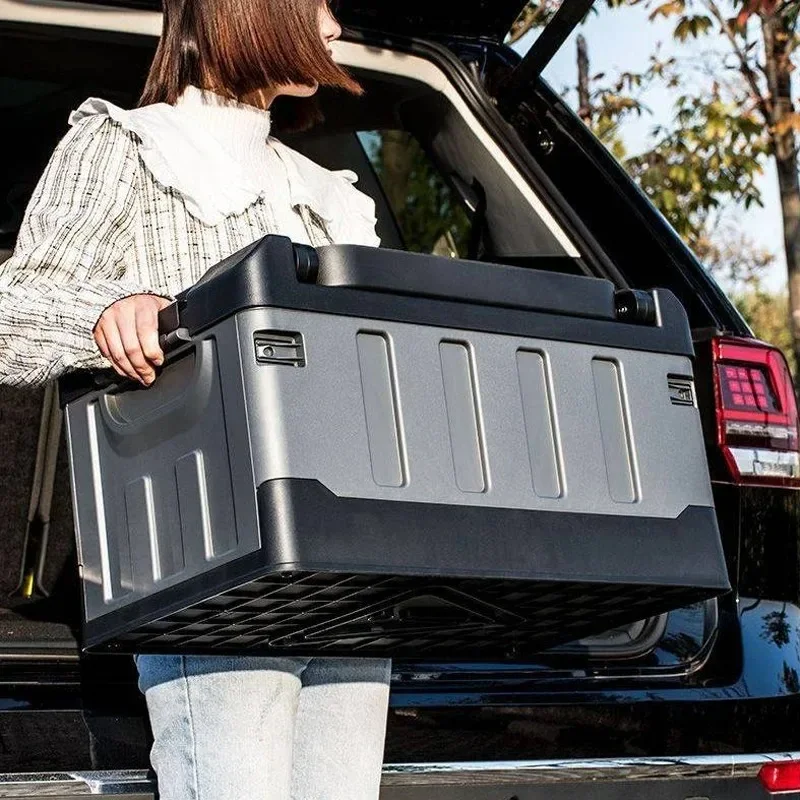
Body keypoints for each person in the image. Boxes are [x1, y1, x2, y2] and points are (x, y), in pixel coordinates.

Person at [0, 1, 391, 798]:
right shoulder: (129, 147)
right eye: (318, 4)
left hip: (348, 566)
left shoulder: (325, 193)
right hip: (212, 561)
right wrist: (111, 314)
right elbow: (13, 312)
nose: (334, 28)